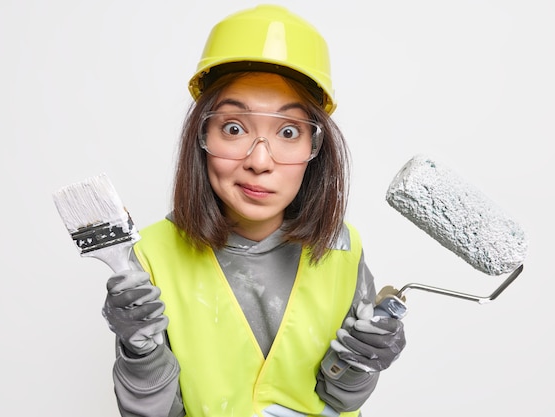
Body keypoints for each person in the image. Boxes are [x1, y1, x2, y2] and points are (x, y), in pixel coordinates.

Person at [101, 5, 407, 417]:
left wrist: (361, 361)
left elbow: (341, 398)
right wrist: (139, 353)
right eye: (234, 128)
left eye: (287, 132)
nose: (260, 160)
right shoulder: (151, 255)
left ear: (315, 149)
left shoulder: (342, 247)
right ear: (201, 135)